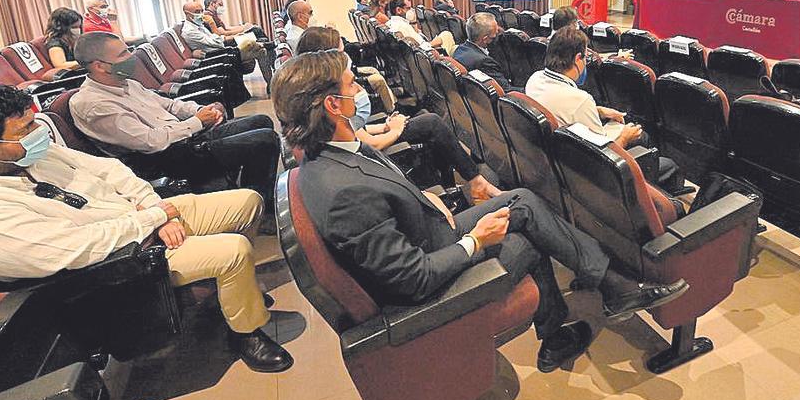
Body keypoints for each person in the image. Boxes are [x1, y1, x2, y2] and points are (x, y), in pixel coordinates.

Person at [276, 51, 688, 373]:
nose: (361, 88)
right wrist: (476, 241)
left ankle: (606, 291)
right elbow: (414, 280)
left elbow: (384, 202)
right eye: (353, 84)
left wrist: (424, 200)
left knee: (524, 201)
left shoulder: (330, 151)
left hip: (429, 234)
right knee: (528, 234)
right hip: (434, 285)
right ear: (333, 103)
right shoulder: (341, 191)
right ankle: (569, 319)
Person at [0, 83, 291, 373]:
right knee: (231, 251)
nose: (39, 132)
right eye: (25, 127)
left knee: (247, 202)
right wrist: (152, 221)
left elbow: (108, 170)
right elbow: (81, 248)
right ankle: (246, 330)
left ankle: (233, 294)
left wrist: (150, 205)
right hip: (113, 264)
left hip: (138, 218)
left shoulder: (25, 156)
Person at [69, 32, 281, 222]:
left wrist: (200, 110)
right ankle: (262, 212)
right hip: (162, 159)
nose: (132, 56)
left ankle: (252, 191)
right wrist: (198, 122)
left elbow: (169, 104)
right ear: (99, 66)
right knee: (264, 140)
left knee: (261, 121)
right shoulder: (92, 104)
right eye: (123, 54)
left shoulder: (125, 82)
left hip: (184, 137)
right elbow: (151, 141)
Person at [291, 26, 497, 201]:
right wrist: (396, 130)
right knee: (432, 122)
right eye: (340, 53)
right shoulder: (332, 97)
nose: (346, 58)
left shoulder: (317, 96)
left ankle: (457, 183)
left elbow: (356, 129)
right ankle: (473, 181)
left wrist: (384, 126)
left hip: (372, 143)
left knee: (429, 121)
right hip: (374, 157)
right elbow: (369, 144)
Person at [526, 27, 685, 194]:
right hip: (583, 175)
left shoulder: (535, 79)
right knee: (651, 147)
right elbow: (602, 159)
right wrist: (625, 137)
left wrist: (599, 111)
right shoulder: (580, 100)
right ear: (578, 59)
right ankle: (657, 198)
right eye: (585, 57)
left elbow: (558, 104)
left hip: (552, 158)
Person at [181, 1, 273, 85]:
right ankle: (272, 82)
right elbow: (217, 42)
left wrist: (236, 35)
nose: (201, 14)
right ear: (187, 14)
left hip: (224, 50)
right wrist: (233, 37)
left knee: (259, 40)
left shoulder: (199, 25)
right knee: (261, 50)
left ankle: (272, 75)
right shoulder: (189, 31)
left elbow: (216, 38)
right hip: (219, 56)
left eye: (201, 11)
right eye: (197, 12)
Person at [453, 12, 520, 92]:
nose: (497, 35)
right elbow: (506, 91)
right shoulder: (484, 62)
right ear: (485, 39)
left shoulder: (459, 49)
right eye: (494, 35)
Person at [386, 0, 456, 55]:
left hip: (419, 54)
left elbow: (416, 37)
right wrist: (437, 42)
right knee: (447, 35)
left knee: (453, 46)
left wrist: (413, 22)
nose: (412, 10)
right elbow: (421, 47)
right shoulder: (402, 26)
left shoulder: (389, 23)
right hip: (426, 53)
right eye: (408, 8)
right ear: (398, 10)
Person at [203, 0, 269, 41]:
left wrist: (243, 27)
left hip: (229, 37)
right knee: (256, 30)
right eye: (220, 4)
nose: (222, 7)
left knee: (256, 30)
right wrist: (243, 29)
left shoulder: (214, 15)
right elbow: (222, 33)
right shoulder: (208, 16)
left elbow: (226, 28)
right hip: (228, 41)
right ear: (212, 4)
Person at [43, 7, 83, 75]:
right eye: (73, 27)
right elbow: (60, 65)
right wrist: (86, 62)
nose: (77, 30)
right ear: (61, 27)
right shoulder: (55, 43)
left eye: (79, 27)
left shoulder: (73, 39)